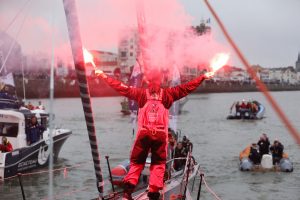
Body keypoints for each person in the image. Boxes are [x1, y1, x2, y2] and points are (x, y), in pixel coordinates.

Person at [95, 68, 213, 200]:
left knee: (137, 163)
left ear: (148, 81)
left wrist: (104, 76)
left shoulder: (141, 94)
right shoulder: (169, 94)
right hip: (160, 136)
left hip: (143, 135)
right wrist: (202, 77)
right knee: (158, 164)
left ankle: (127, 194)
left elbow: (121, 87)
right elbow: (187, 87)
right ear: (161, 81)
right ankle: (154, 193)